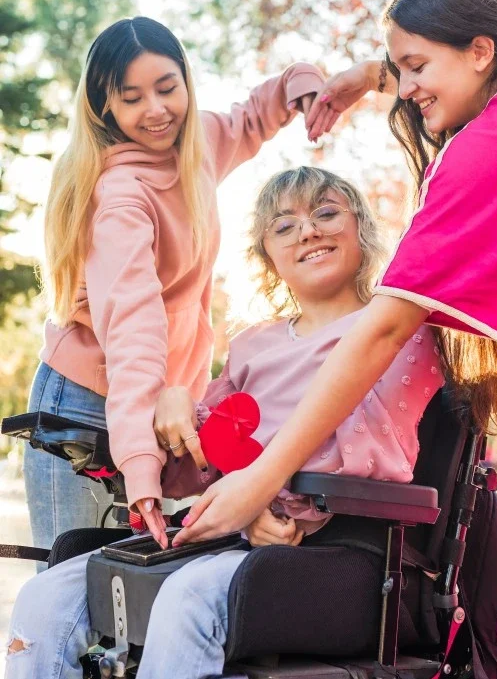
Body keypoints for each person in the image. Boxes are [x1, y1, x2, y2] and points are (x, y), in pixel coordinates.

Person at [173, 0, 497, 679]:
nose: (407, 87)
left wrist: (261, 480)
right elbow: (451, 60)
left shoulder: (495, 143)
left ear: (478, 52)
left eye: (416, 67)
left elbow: (380, 330)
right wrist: (369, 76)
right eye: (400, 68)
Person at [6, 166, 444, 677]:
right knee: (46, 595)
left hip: (339, 542)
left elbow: (368, 446)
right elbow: (204, 455)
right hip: (236, 529)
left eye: (326, 213)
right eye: (285, 226)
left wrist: (266, 494)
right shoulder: (254, 345)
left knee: (186, 599)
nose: (309, 230)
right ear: (268, 257)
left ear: (362, 230)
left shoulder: (396, 330)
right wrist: (171, 409)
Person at [23, 16, 325, 555]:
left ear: (185, 81)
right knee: (75, 583)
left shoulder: (198, 144)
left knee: (139, 591)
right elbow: (134, 328)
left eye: (167, 88)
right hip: (88, 401)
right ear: (104, 107)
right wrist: (140, 470)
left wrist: (298, 84)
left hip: (161, 402)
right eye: (132, 97)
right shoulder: (120, 197)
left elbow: (251, 118)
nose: (157, 110)